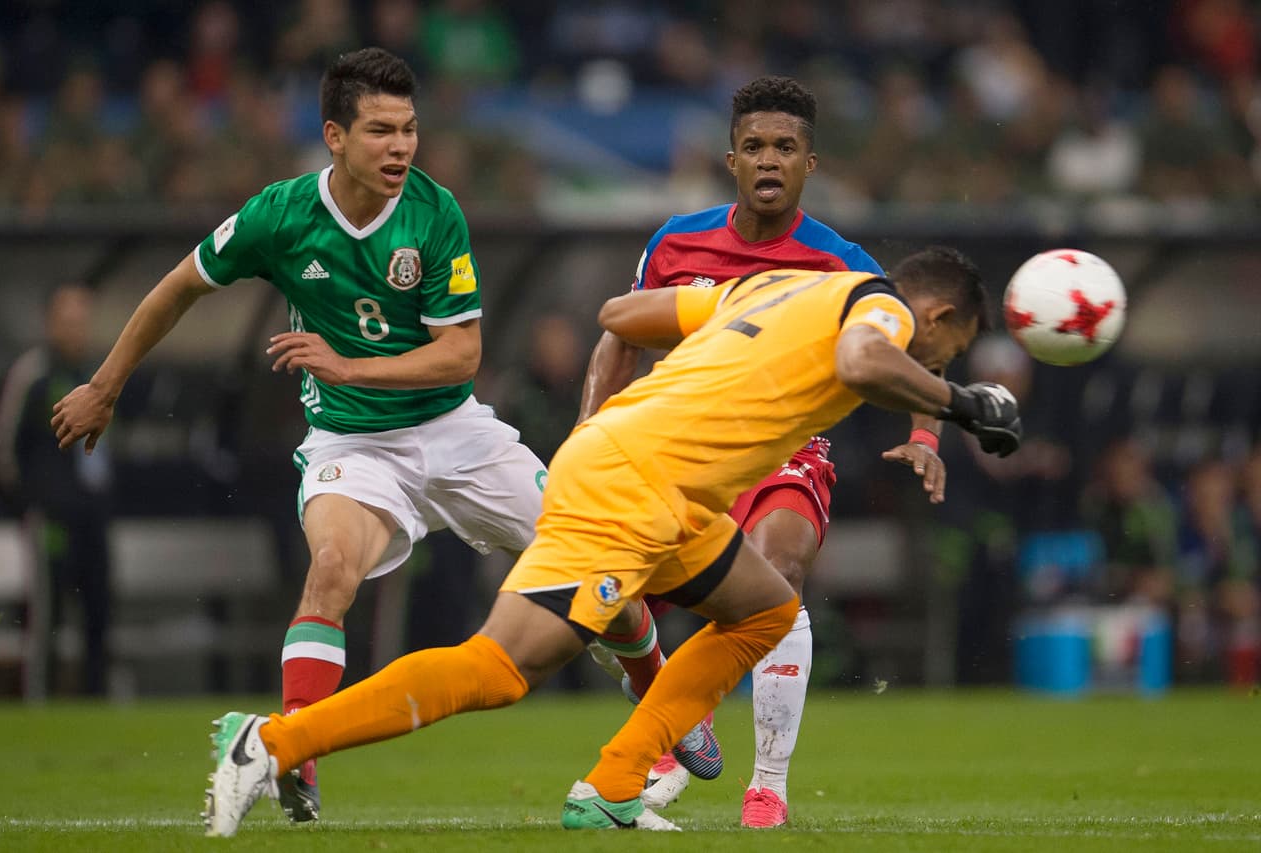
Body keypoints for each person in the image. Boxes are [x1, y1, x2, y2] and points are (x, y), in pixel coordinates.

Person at [201, 250, 1022, 837]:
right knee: (500, 667)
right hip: (633, 480)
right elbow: (865, 354)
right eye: (949, 347)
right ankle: (272, 742)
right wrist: (962, 401)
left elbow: (621, 316)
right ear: (939, 314)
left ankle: (614, 785)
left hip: (661, 480)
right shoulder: (880, 308)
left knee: (765, 609)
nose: (939, 357)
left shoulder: (780, 286)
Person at [49, 48, 549, 823]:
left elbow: (462, 353)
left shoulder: (433, 210)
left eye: (410, 129)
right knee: (331, 572)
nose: (401, 147)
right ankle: (292, 757)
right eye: (381, 130)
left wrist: (348, 366)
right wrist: (105, 385)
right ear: (334, 137)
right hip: (351, 445)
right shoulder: (278, 215)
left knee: (591, 546)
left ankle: (658, 744)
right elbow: (178, 287)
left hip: (454, 430)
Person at [577, 75, 950, 826]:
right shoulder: (676, 241)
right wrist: (587, 435)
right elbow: (620, 336)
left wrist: (922, 435)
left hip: (782, 445)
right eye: (754, 147)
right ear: (731, 160)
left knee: (778, 573)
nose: (769, 159)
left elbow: (916, 350)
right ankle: (675, 726)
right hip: (677, 449)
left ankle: (767, 788)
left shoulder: (840, 260)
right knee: (604, 595)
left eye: (785, 147)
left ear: (811, 163)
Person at [0, 282, 114, 696]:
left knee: (98, 611)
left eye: (82, 321)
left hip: (93, 516)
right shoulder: (35, 373)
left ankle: (96, 700)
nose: (76, 330)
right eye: (68, 321)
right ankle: (39, 702)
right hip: (50, 516)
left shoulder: (101, 373)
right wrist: (31, 502)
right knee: (49, 615)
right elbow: (4, 446)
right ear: (50, 324)